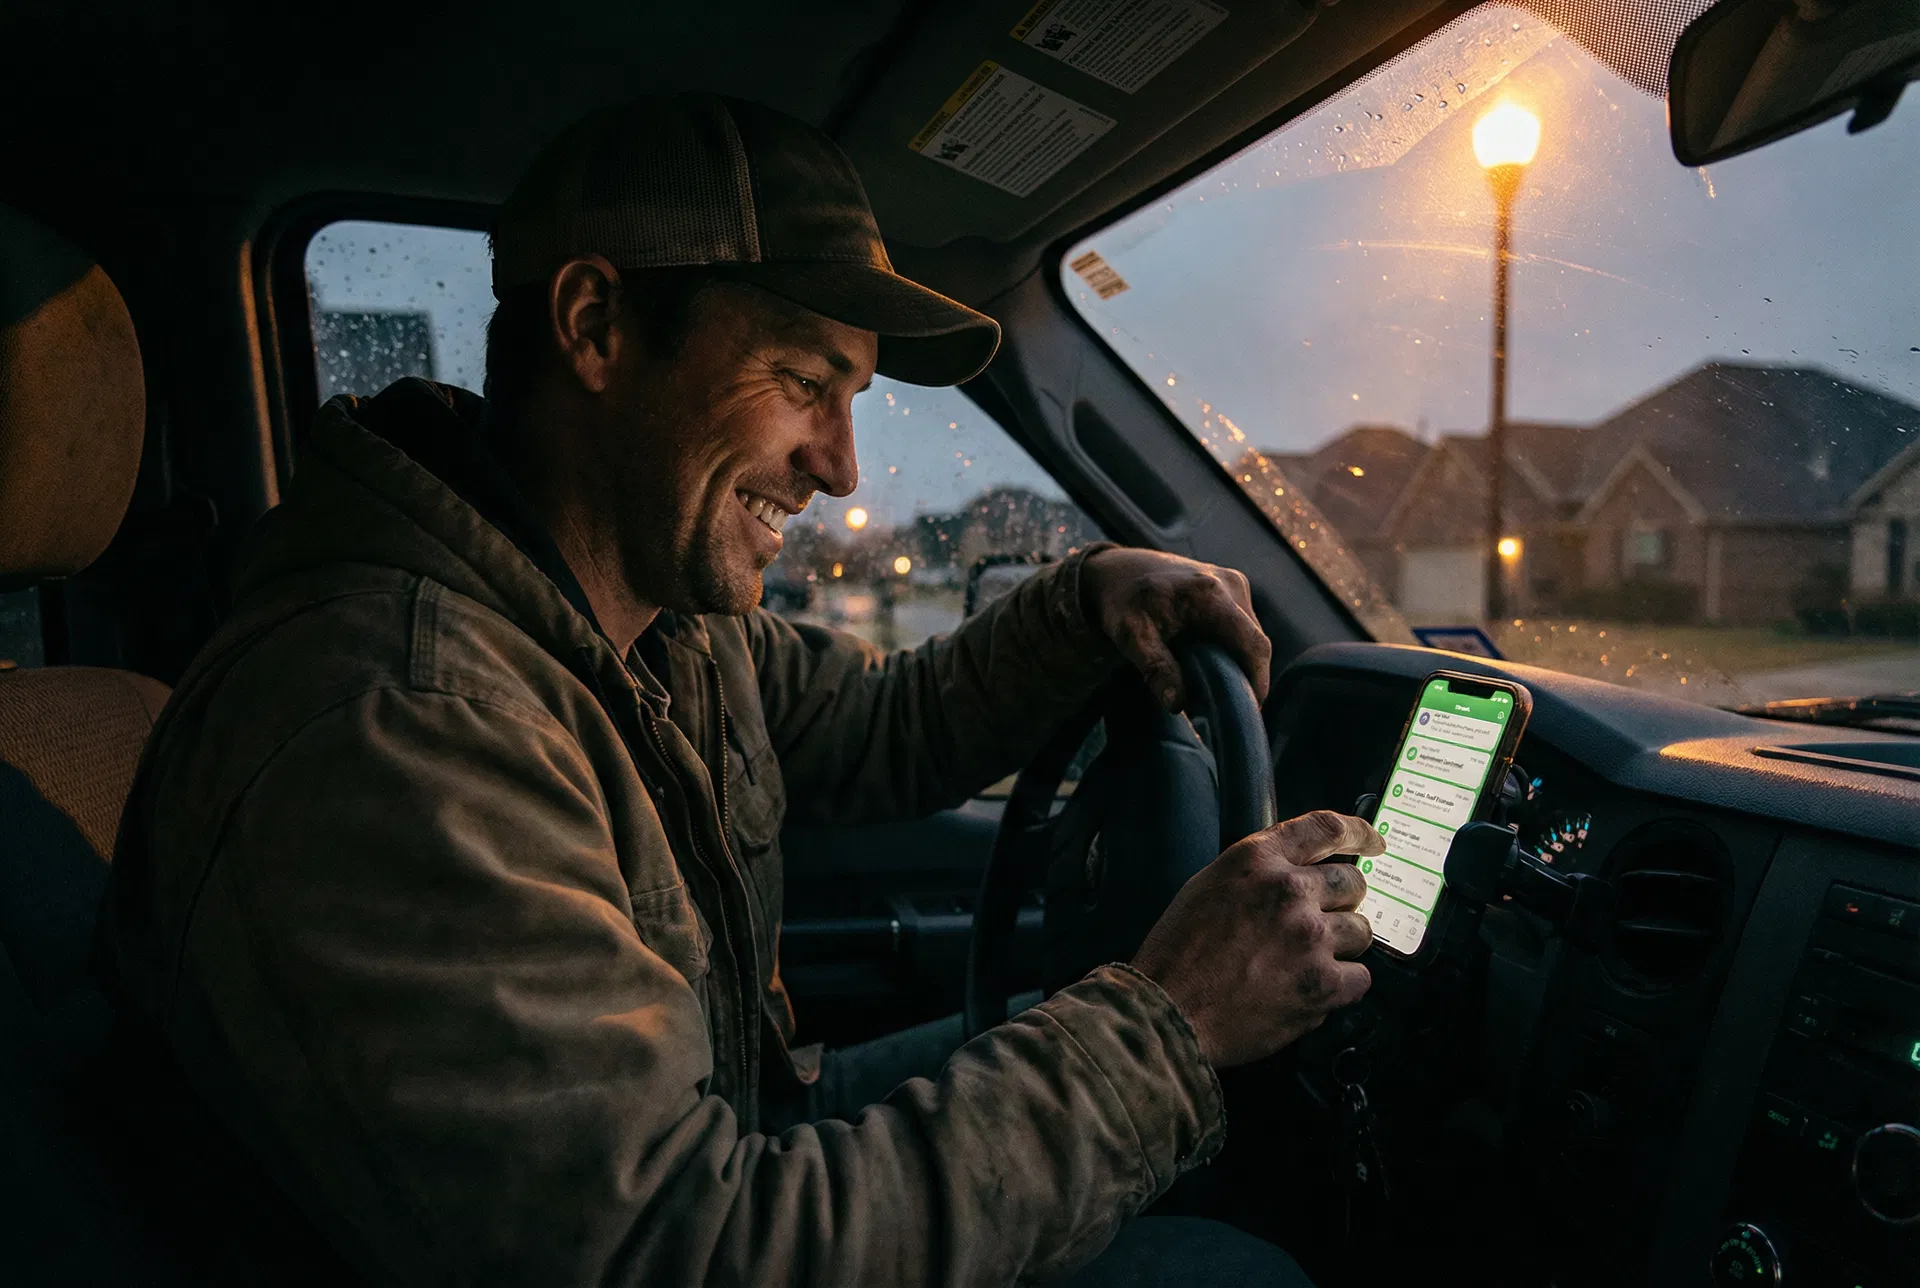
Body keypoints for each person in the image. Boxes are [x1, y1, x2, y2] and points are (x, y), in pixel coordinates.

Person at [99, 95, 1382, 1286]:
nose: (839, 464)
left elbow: (890, 726)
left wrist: (1089, 595)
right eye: (804, 383)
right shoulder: (403, 723)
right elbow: (683, 1249)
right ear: (596, 327)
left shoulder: (644, 623)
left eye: (852, 398)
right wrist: (1170, 1025)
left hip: (727, 1140)